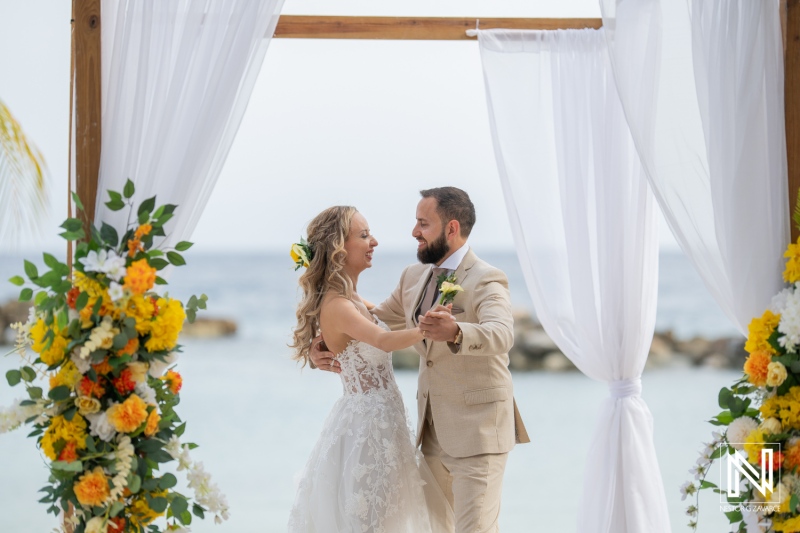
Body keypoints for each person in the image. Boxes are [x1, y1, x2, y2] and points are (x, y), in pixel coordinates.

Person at [311, 187, 530, 533]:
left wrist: (457, 331)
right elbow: (373, 321)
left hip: (478, 434)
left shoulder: (487, 279)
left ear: (451, 229)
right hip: (429, 439)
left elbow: (502, 334)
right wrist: (323, 339)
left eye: (423, 224)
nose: (414, 232)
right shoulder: (413, 278)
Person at [287, 205, 451, 533]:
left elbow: (384, 317)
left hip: (384, 423)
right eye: (363, 235)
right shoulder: (338, 305)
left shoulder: (354, 300)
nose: (374, 241)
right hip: (367, 430)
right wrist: (427, 328)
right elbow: (382, 339)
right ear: (337, 249)